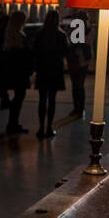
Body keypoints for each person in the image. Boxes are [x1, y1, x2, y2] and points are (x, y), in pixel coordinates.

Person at [33, 10, 67, 138]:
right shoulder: (60, 35)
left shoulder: (40, 34)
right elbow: (66, 51)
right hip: (55, 70)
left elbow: (35, 51)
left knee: (42, 100)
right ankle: (49, 127)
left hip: (43, 69)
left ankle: (41, 127)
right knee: (52, 100)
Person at [0, 11, 31, 134]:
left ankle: (12, 123)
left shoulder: (10, 34)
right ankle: (13, 123)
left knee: (18, 97)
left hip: (12, 70)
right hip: (20, 71)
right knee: (19, 97)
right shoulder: (19, 35)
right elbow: (22, 53)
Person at [66, 28, 90, 118]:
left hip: (79, 62)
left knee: (78, 85)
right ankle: (78, 108)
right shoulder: (84, 33)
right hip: (78, 62)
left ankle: (79, 108)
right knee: (77, 86)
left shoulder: (83, 33)